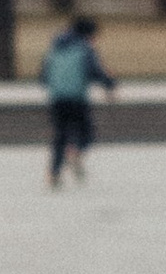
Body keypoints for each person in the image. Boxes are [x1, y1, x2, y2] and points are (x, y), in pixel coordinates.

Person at [40, 12, 117, 185]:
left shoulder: (55, 46)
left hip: (57, 98)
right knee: (87, 132)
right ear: (89, 34)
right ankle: (75, 152)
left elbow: (44, 75)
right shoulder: (84, 48)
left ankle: (54, 174)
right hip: (77, 98)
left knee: (60, 135)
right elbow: (95, 71)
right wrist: (109, 85)